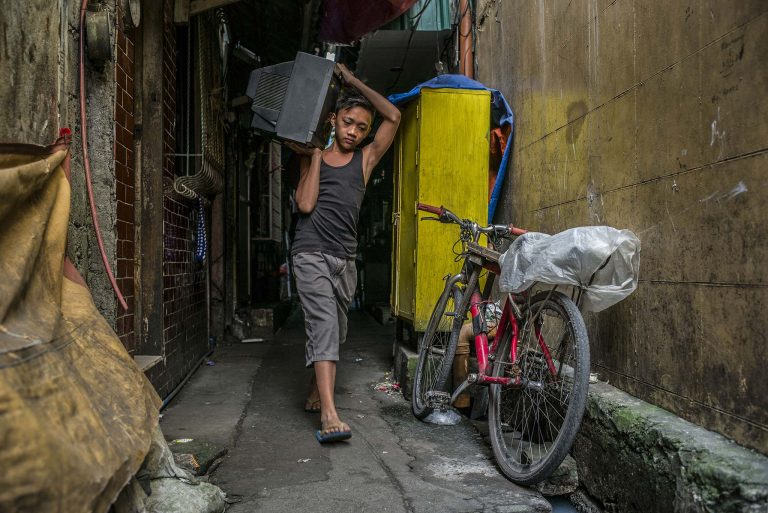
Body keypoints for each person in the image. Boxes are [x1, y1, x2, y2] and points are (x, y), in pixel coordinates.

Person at [288, 63, 401, 443]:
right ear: (335, 119)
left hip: (344, 259)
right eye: (348, 122)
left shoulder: (365, 161)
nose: (353, 132)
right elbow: (304, 205)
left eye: (361, 128)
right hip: (310, 253)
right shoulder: (312, 153)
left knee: (338, 332)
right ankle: (330, 415)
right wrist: (316, 156)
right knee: (323, 325)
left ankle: (314, 391)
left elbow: (394, 115)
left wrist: (353, 81)